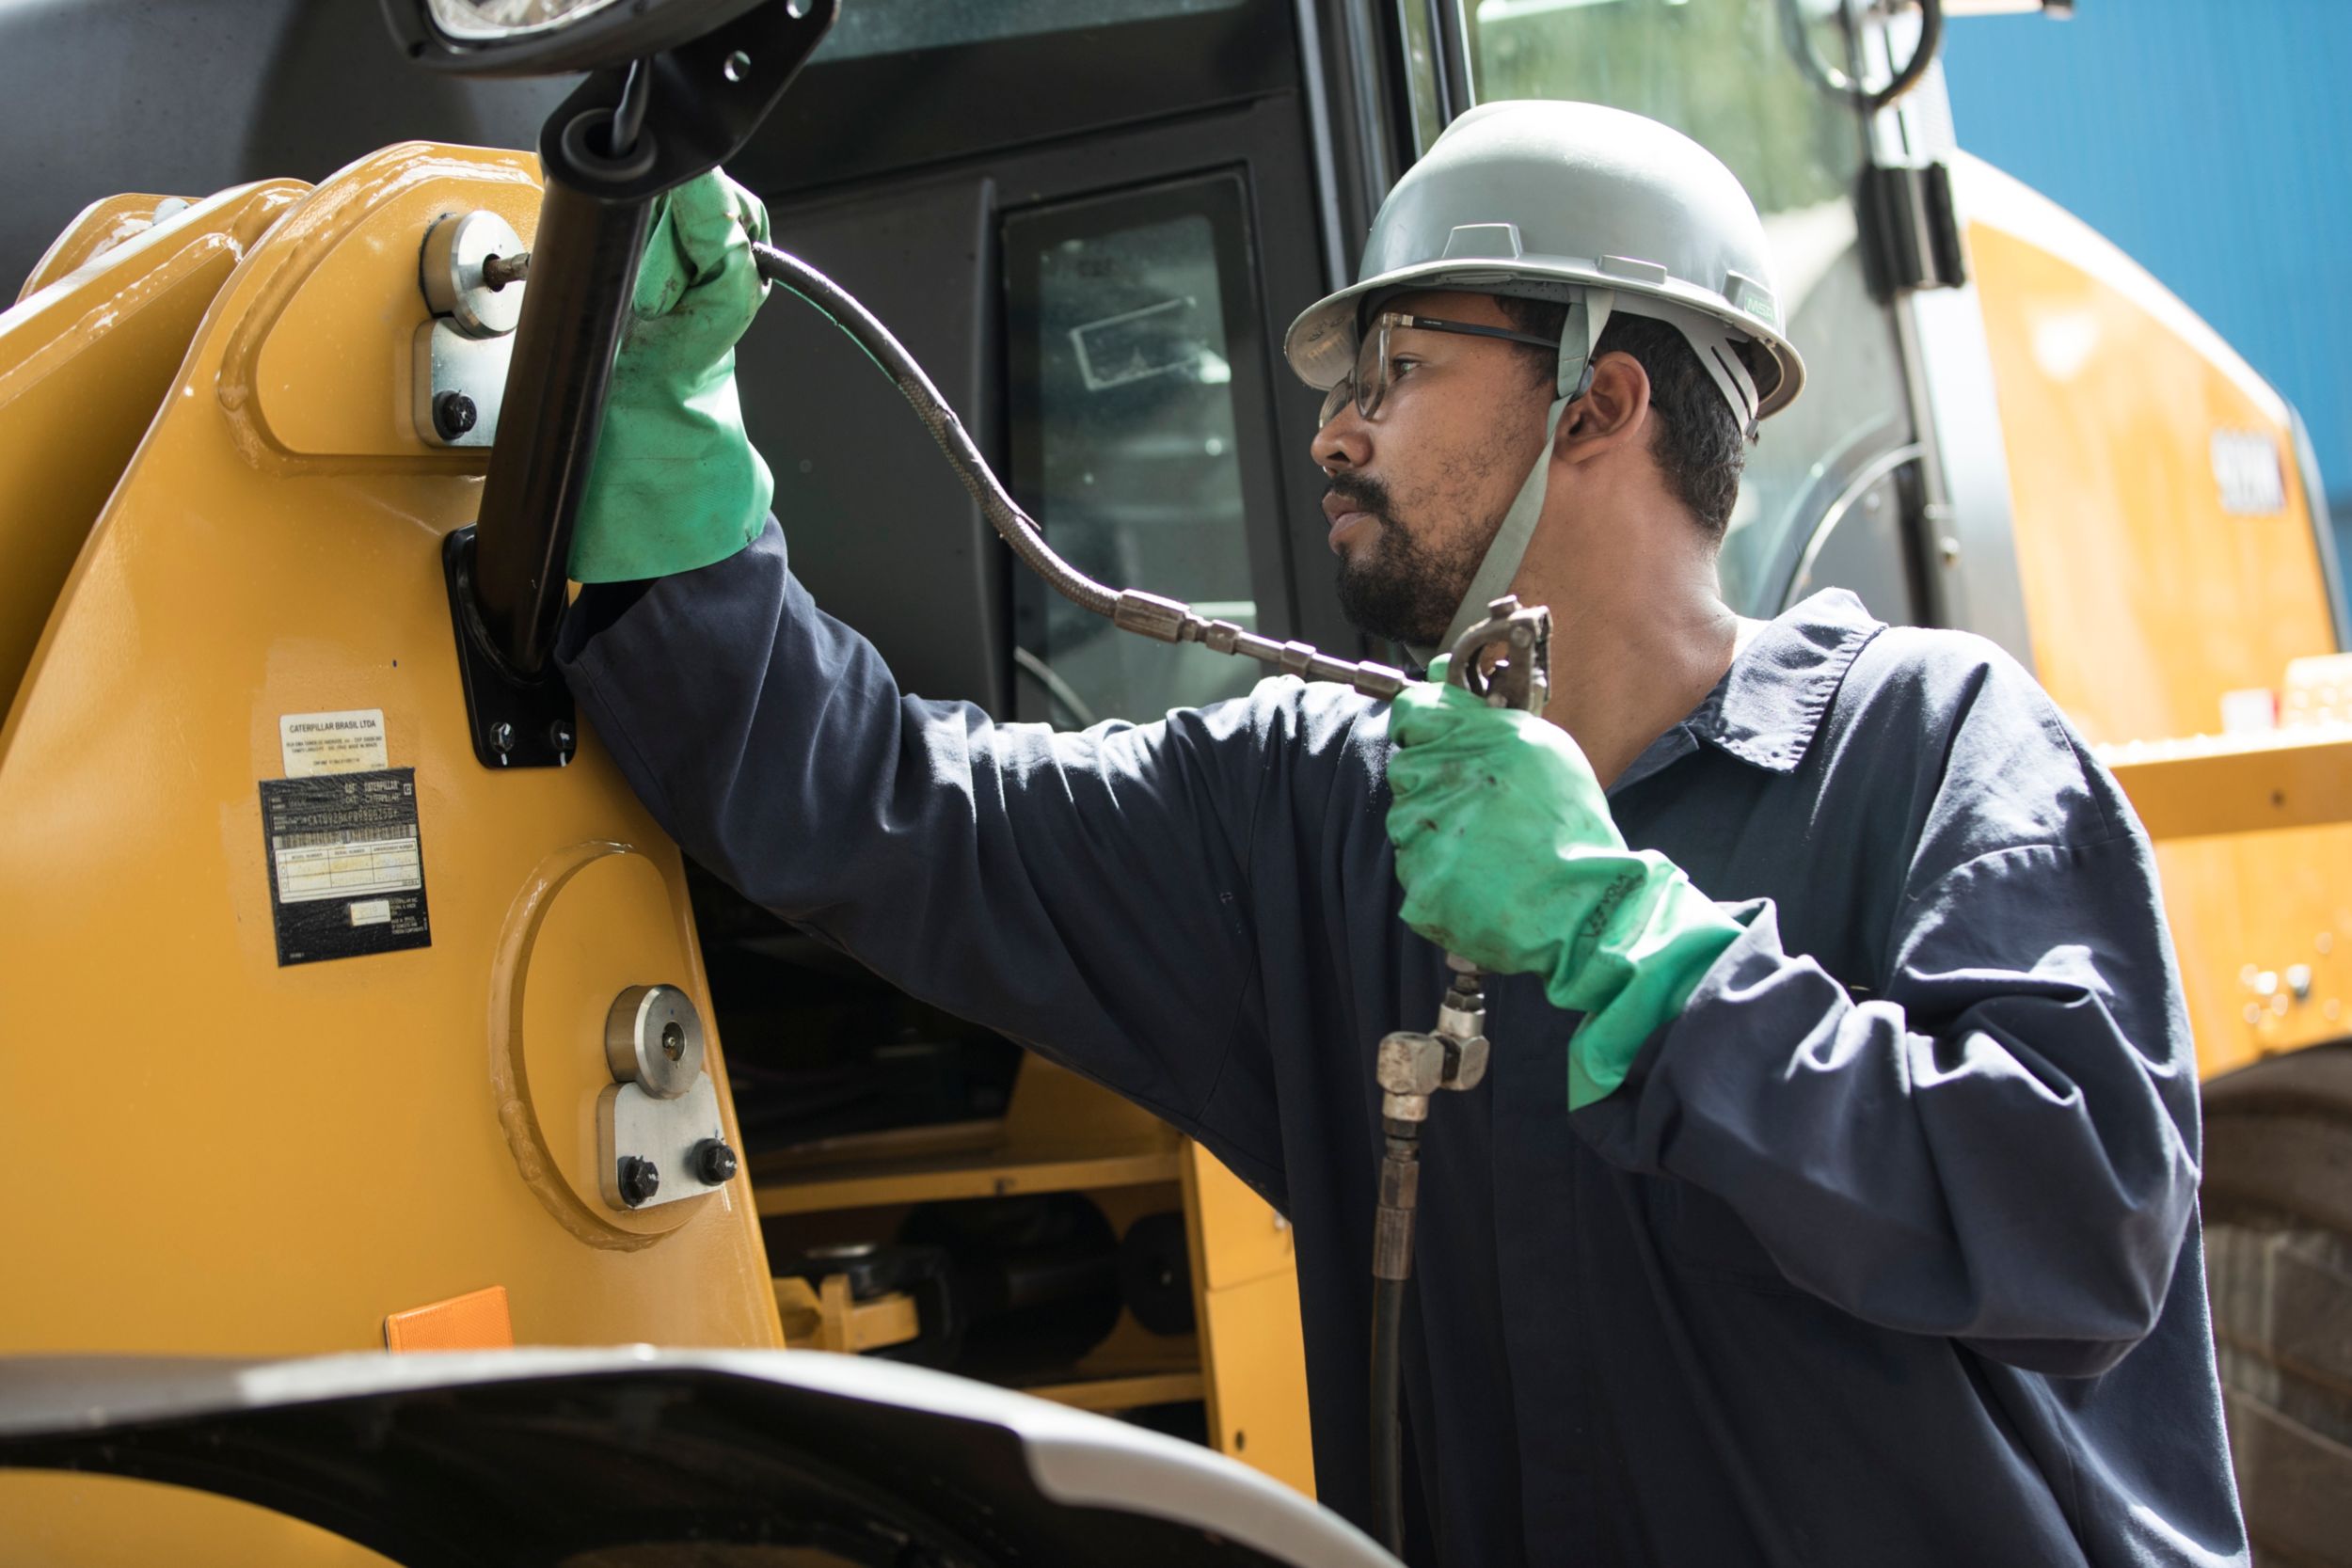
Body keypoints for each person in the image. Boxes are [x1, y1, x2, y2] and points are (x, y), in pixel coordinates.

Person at [557, 102, 2247, 1566]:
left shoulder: (1937, 747)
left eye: (1402, 368)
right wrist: (669, 440)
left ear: (1599, 403)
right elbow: (882, 814)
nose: (1333, 429)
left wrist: (1634, 951)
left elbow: (2078, 1226)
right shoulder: (1317, 813)